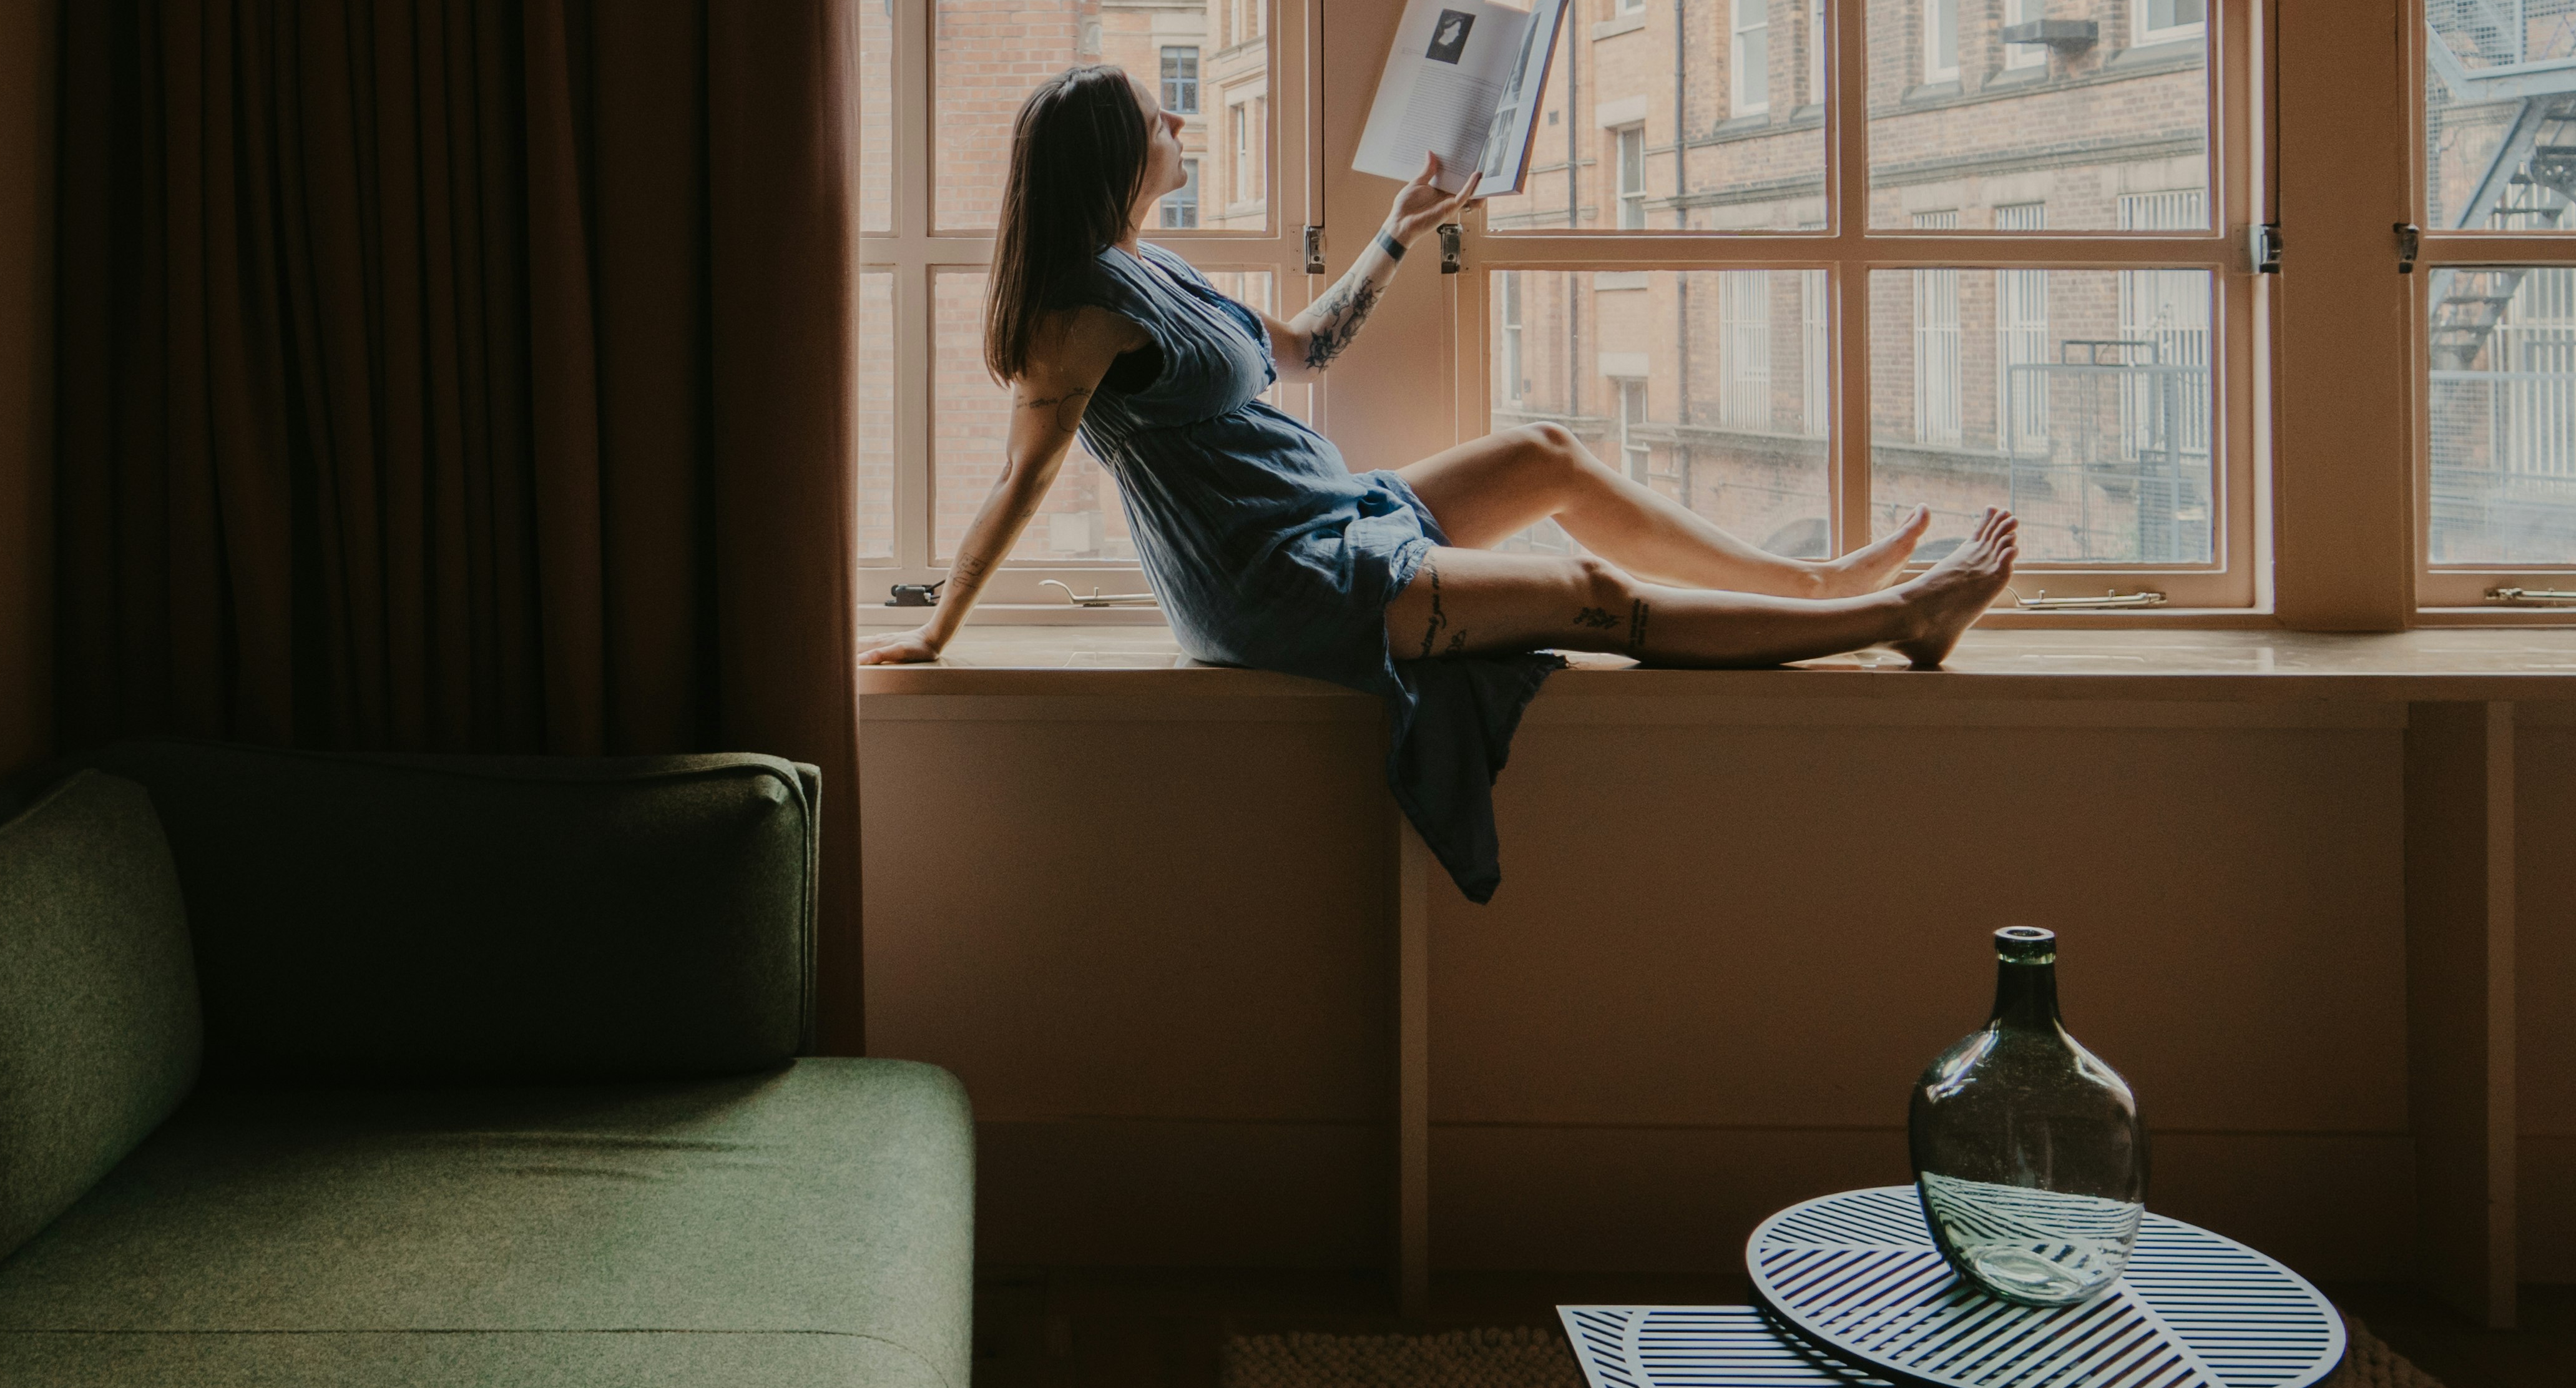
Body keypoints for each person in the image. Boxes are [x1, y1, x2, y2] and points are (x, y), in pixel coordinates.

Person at [858, 63, 2019, 897]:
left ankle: (1811, 585)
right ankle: (1901, 617)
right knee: (1583, 593)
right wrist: (940, 631)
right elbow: (1020, 483)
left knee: (1547, 451)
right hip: (1276, 580)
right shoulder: (1081, 311)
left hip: (1322, 511)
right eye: (1150, 114)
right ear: (1112, 156)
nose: (1176, 117)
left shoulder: (1154, 263)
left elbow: (1304, 351)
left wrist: (1399, 232)